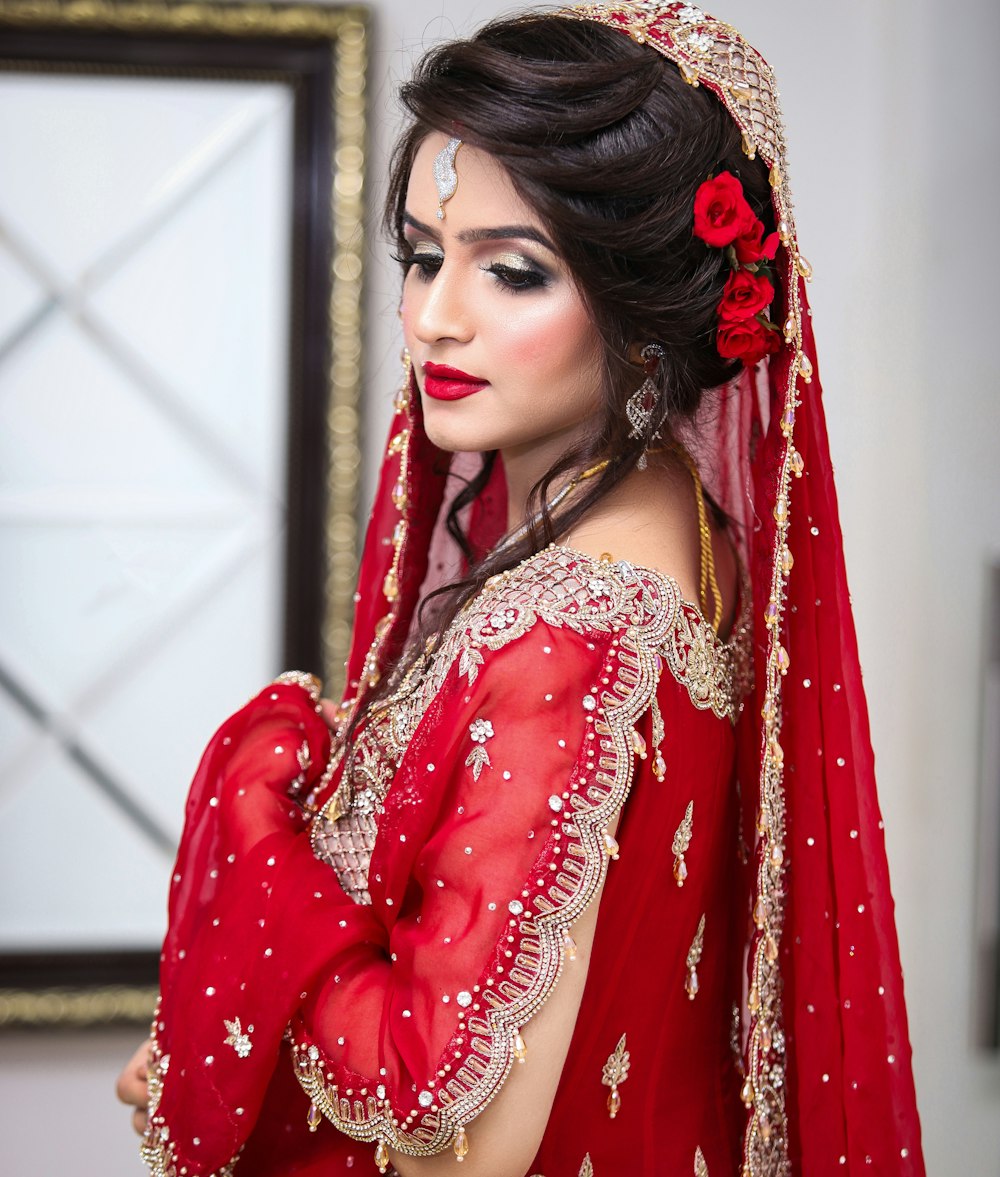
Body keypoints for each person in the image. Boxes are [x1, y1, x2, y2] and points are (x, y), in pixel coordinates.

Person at [116, 3, 925, 1174]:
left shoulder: (570, 626)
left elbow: (462, 1131)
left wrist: (259, 848)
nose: (438, 317)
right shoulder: (676, 528)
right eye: (424, 255)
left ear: (642, 303)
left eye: (512, 271)